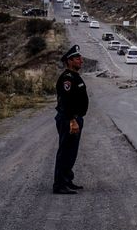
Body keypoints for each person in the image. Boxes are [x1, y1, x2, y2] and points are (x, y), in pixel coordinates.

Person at [52, 45, 89, 194]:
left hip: (75, 118)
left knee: (71, 153)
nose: (81, 60)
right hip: (68, 119)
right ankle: (59, 184)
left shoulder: (75, 76)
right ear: (69, 61)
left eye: (80, 57)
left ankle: (67, 180)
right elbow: (65, 102)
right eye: (77, 58)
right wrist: (72, 121)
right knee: (65, 152)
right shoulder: (66, 78)